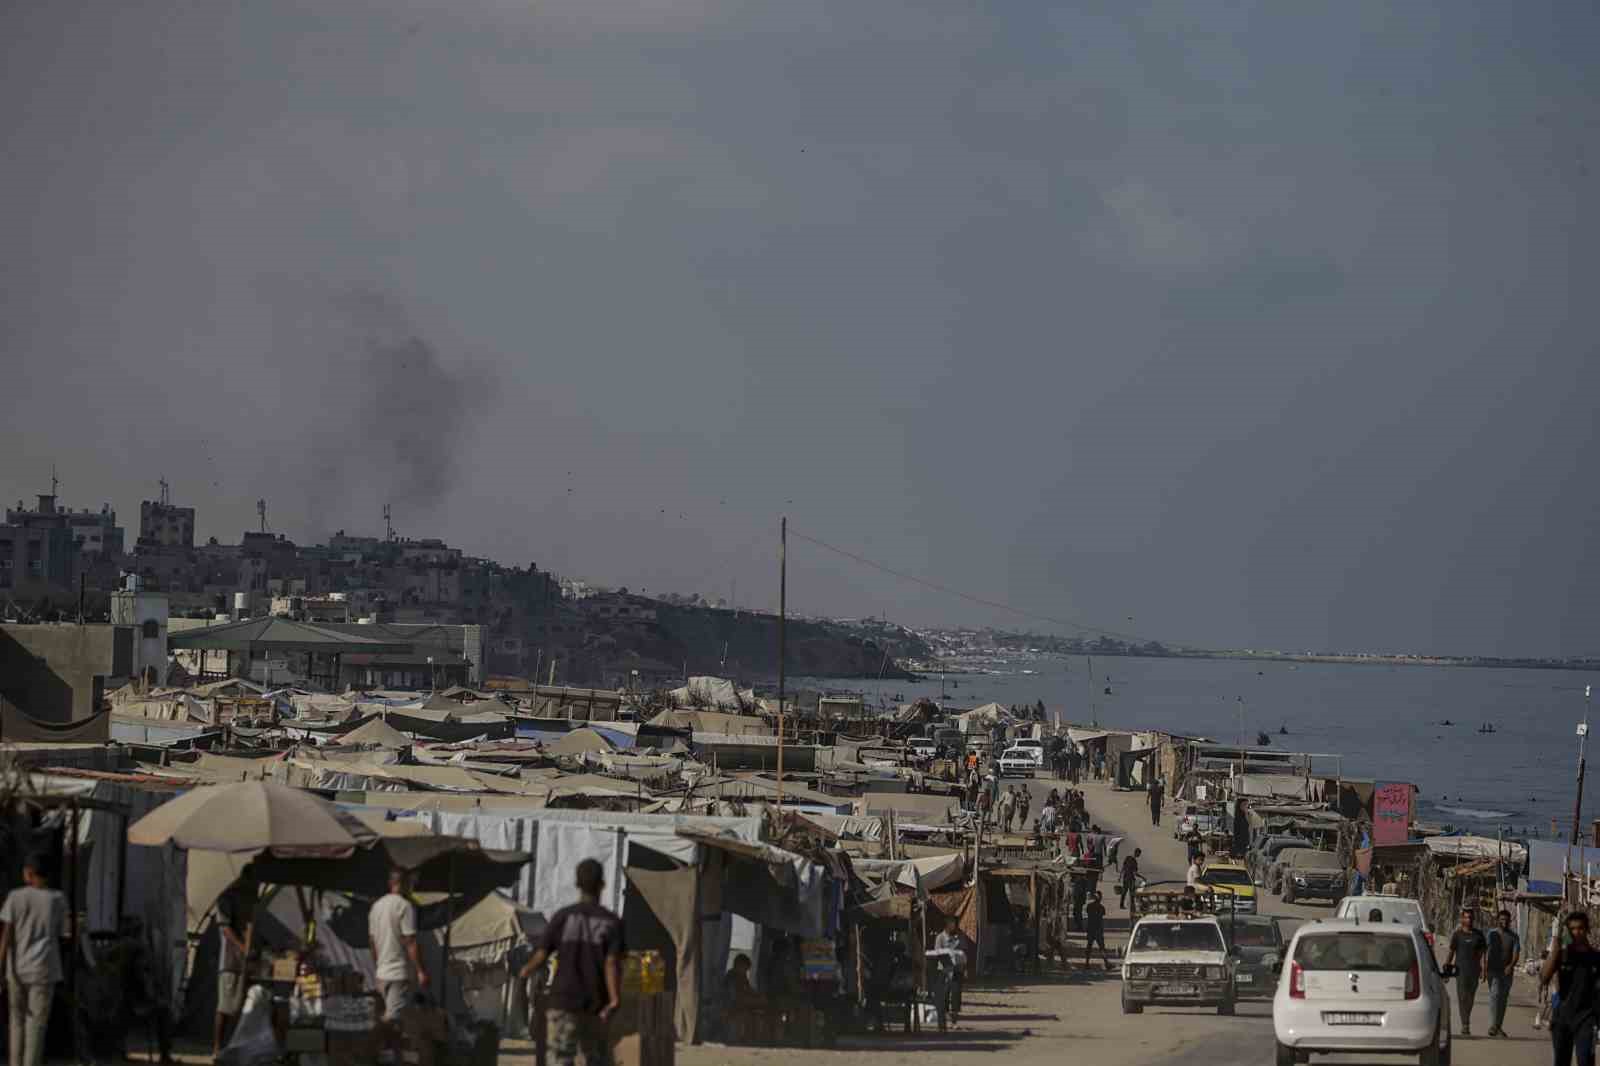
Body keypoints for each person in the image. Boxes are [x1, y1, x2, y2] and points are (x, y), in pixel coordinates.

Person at [519, 858, 624, 1066]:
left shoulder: (563, 917)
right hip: (594, 1004)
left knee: (560, 1059)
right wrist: (614, 999)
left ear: (577, 884)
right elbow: (611, 963)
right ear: (602, 885)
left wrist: (525, 972)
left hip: (563, 1000)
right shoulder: (611, 922)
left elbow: (541, 955)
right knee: (595, 1058)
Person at [0, 855, 65, 1066]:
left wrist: (1, 967)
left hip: (16, 970)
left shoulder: (14, 897)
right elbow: (62, 934)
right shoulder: (57, 899)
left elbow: (6, 936)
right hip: (43, 971)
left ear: (28, 872)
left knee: (16, 1022)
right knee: (36, 1025)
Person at [370, 869, 429, 1053]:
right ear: (403, 884)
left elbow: (372, 942)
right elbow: (410, 941)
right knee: (392, 1019)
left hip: (382, 973)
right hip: (398, 973)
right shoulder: (404, 906)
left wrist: (378, 964)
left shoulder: (376, 906)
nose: (412, 888)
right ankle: (371, 1045)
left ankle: (391, 1055)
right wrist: (420, 970)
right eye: (410, 884)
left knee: (394, 1022)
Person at [1543, 910, 1599, 1065]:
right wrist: (1556, 942)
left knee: (1586, 1060)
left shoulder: (1596, 957)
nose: (1576, 933)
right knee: (1561, 1061)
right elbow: (1544, 977)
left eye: (1580, 928)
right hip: (1562, 1017)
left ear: (1587, 929)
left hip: (1586, 1018)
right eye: (1572, 929)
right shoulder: (1562, 955)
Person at [213, 876, 257, 1057]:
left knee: (240, 1006)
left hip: (246, 962)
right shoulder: (226, 898)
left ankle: (233, 1046)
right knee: (225, 1006)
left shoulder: (252, 898)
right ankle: (217, 1048)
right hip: (230, 961)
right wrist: (243, 947)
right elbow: (225, 929)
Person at [1445, 907, 1487, 1037]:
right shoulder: (1457, 935)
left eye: (1471, 917)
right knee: (1462, 997)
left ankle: (1466, 1019)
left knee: (1470, 998)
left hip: (1474, 971)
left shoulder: (1479, 935)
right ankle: (1465, 1024)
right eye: (1467, 917)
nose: (1469, 920)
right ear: (1462, 919)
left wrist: (1484, 969)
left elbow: (1483, 954)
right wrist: (1447, 970)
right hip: (1460, 971)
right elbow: (1451, 953)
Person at [1484, 908, 1521, 1038]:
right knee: (1495, 995)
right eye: (1502, 919)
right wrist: (1483, 968)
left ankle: (1498, 1026)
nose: (1504, 922)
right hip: (1493, 970)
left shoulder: (1514, 936)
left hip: (1506, 972)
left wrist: (1511, 966)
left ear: (1510, 921)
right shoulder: (1491, 934)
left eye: (1506, 920)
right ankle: (1493, 1025)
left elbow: (1516, 953)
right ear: (1498, 920)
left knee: (1503, 999)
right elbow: (1486, 951)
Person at [1085, 891, 1109, 969]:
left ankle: (1087, 963)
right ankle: (1106, 963)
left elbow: (1088, 915)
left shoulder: (1089, 906)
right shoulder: (1101, 907)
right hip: (1098, 930)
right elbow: (1102, 916)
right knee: (1102, 948)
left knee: (1089, 947)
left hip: (1091, 929)